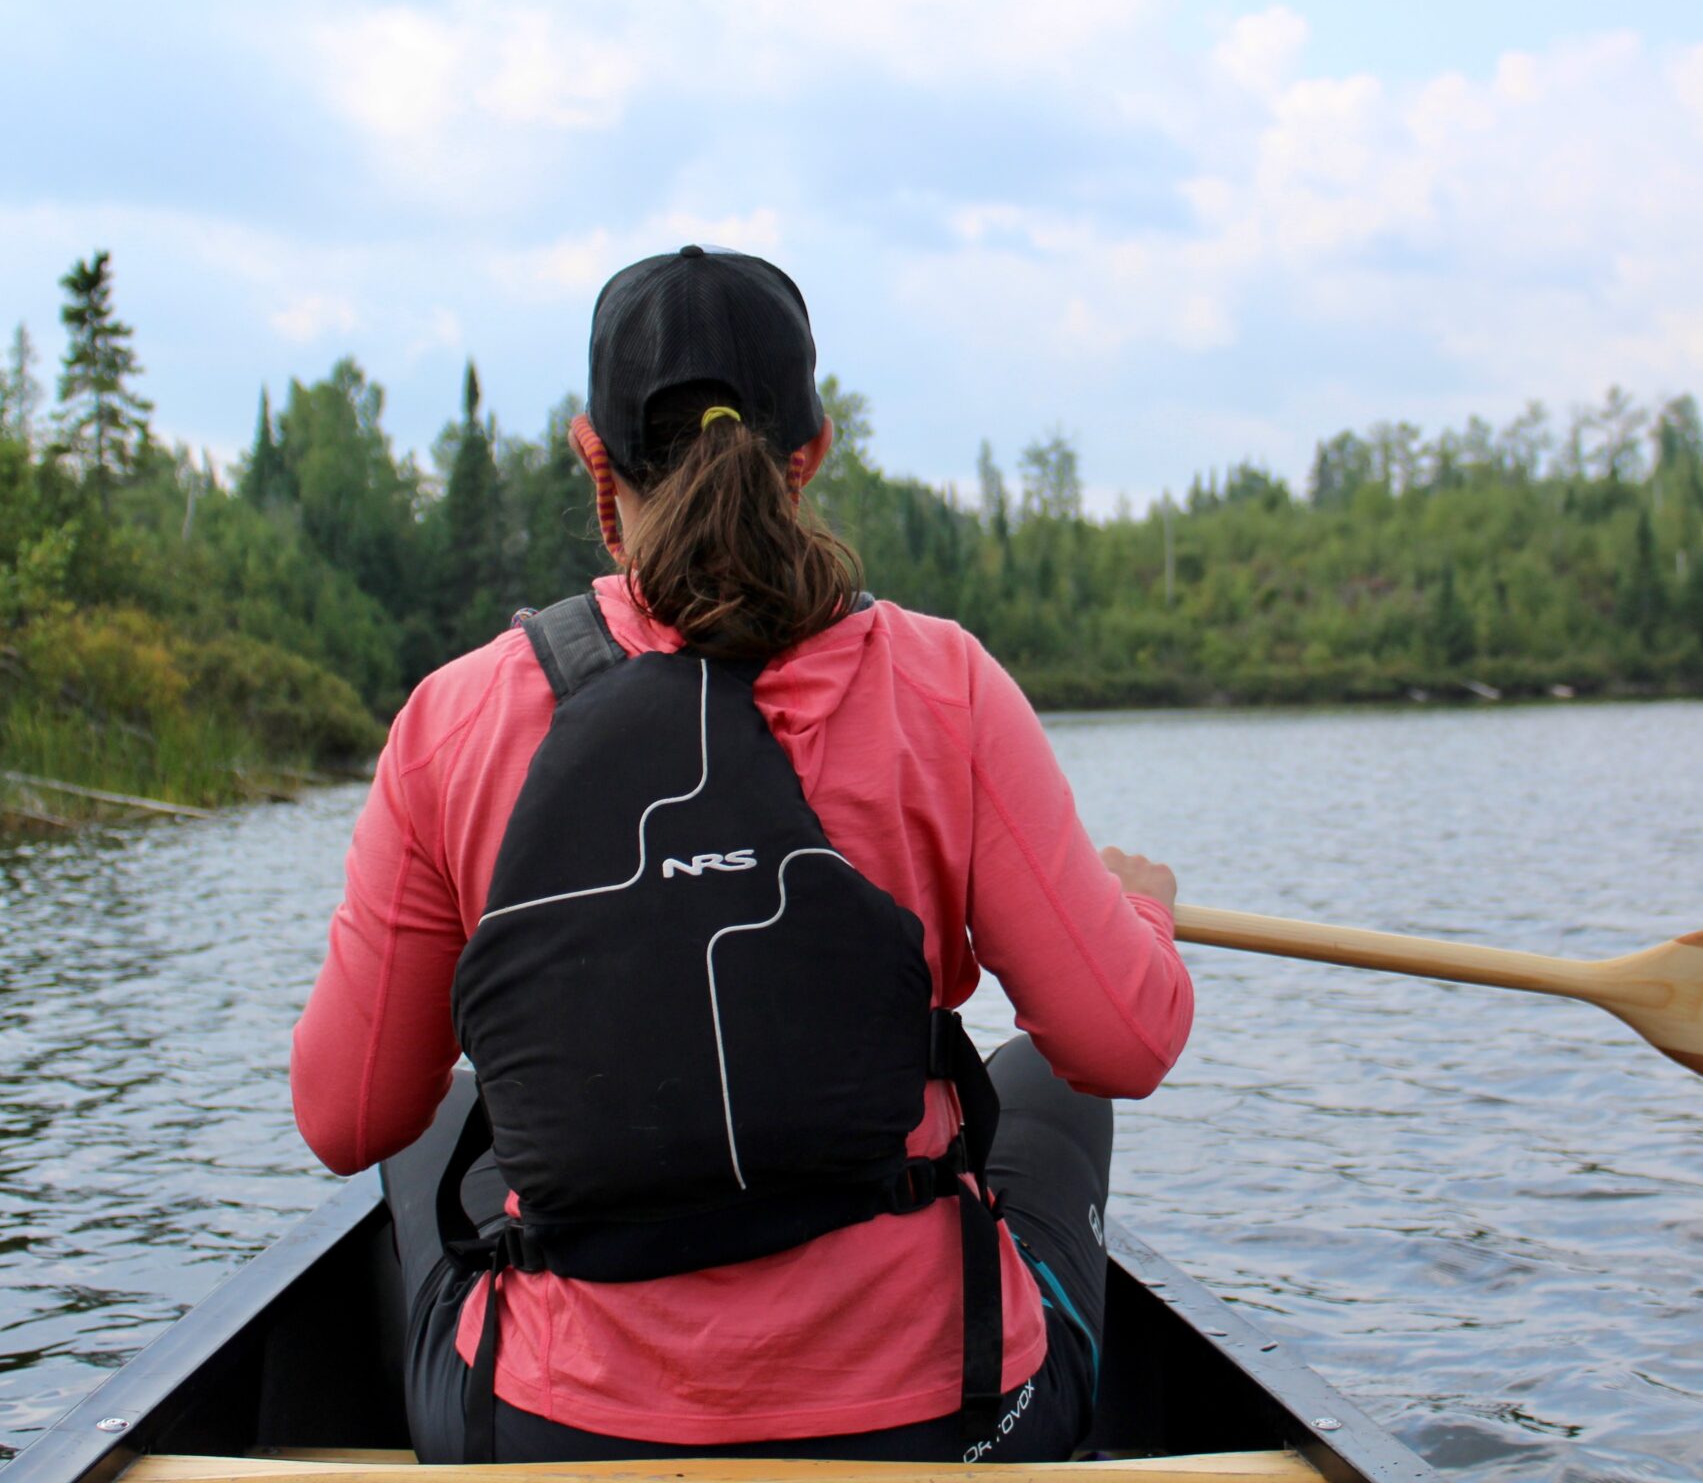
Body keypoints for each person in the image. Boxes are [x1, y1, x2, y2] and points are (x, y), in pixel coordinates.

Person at [289, 245, 1193, 1465]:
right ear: (810, 451)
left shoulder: (455, 719)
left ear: (594, 460)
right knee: (1053, 1085)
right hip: (935, 1419)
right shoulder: (944, 688)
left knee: (436, 1113)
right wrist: (1133, 917)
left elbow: (345, 1115)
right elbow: (1123, 1042)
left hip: (560, 1434)